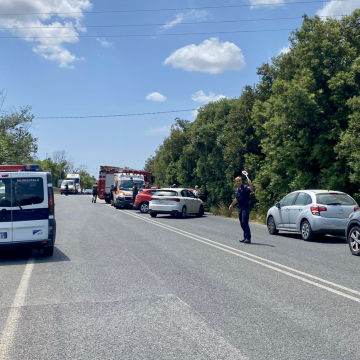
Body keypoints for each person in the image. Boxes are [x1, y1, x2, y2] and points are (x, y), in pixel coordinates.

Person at [229, 175, 254, 244]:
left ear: (241, 181)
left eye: (239, 180)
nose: (238, 182)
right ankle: (245, 237)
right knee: (241, 223)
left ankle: (248, 238)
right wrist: (232, 204)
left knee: (244, 222)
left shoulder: (245, 187)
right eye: (237, 181)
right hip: (240, 207)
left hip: (245, 207)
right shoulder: (237, 190)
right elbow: (236, 198)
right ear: (236, 182)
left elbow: (251, 189)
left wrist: (250, 184)